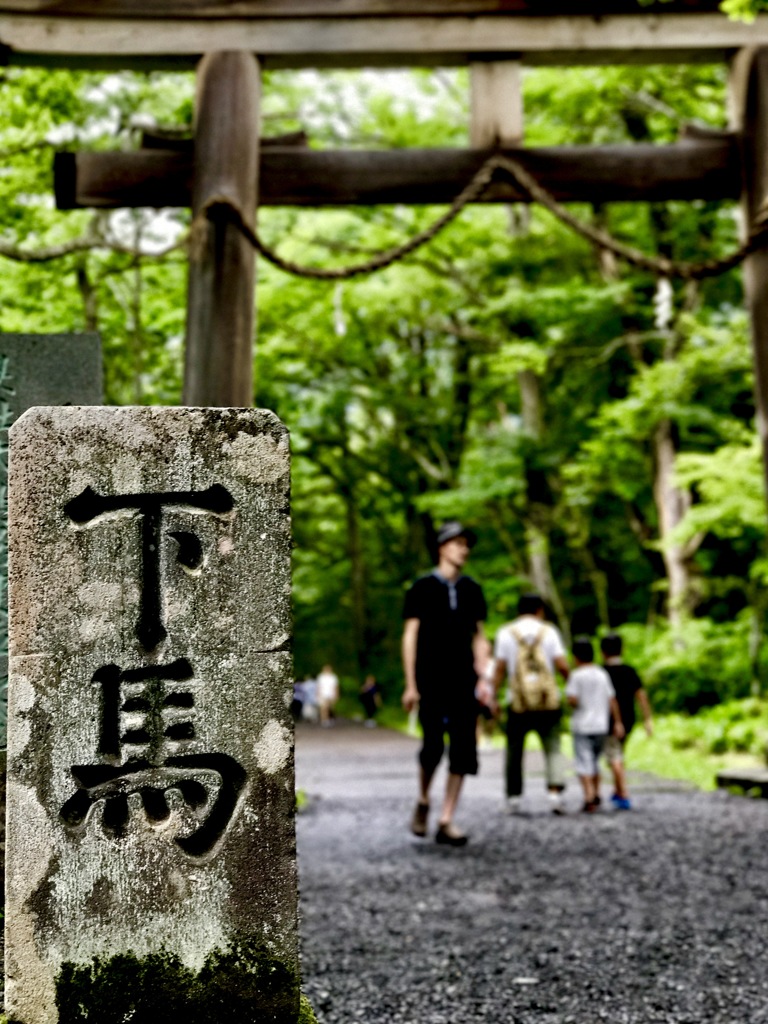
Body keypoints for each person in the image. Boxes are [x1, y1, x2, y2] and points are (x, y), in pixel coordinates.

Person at [402, 520, 487, 847]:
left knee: (464, 749)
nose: (463, 549)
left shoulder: (472, 589)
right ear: (442, 547)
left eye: (467, 544)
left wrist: (484, 676)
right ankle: (424, 799)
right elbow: (410, 636)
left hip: (465, 680)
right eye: (457, 543)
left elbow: (480, 637)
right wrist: (411, 684)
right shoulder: (421, 588)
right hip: (430, 679)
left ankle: (446, 818)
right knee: (433, 746)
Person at [492, 593, 569, 815]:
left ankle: (513, 797)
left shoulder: (506, 633)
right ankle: (555, 795)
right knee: (552, 748)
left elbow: (499, 669)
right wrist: (570, 684)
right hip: (547, 701)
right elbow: (561, 664)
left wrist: (494, 696)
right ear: (540, 610)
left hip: (518, 701)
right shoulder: (549, 631)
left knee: (515, 750)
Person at [565, 636, 624, 813]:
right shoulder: (601, 674)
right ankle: (597, 792)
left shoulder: (576, 675)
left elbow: (572, 699)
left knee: (583, 762)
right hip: (601, 725)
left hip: (582, 725)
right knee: (595, 761)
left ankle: (589, 795)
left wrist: (573, 703)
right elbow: (612, 699)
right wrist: (618, 722)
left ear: (575, 657)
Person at [600, 633, 653, 811]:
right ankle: (617, 790)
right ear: (622, 649)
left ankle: (623, 793)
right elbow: (641, 696)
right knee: (619, 754)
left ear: (603, 652)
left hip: (609, 721)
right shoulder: (629, 670)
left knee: (614, 757)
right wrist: (647, 719)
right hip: (629, 719)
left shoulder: (601, 672)